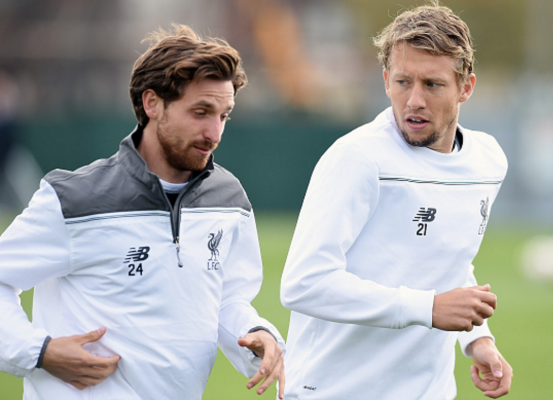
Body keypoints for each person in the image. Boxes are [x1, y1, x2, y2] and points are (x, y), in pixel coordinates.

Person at [0, 24, 285, 400]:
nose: (214, 133)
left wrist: (258, 334)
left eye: (224, 115)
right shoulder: (73, 199)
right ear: (152, 104)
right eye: (200, 112)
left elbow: (226, 300)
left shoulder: (229, 199)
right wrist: (38, 351)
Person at [280, 2, 513, 399]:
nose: (415, 100)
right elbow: (304, 284)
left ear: (466, 87)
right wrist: (427, 308)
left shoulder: (488, 161)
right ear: (386, 80)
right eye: (403, 82)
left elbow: (448, 263)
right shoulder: (356, 158)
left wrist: (479, 340)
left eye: (433, 84)